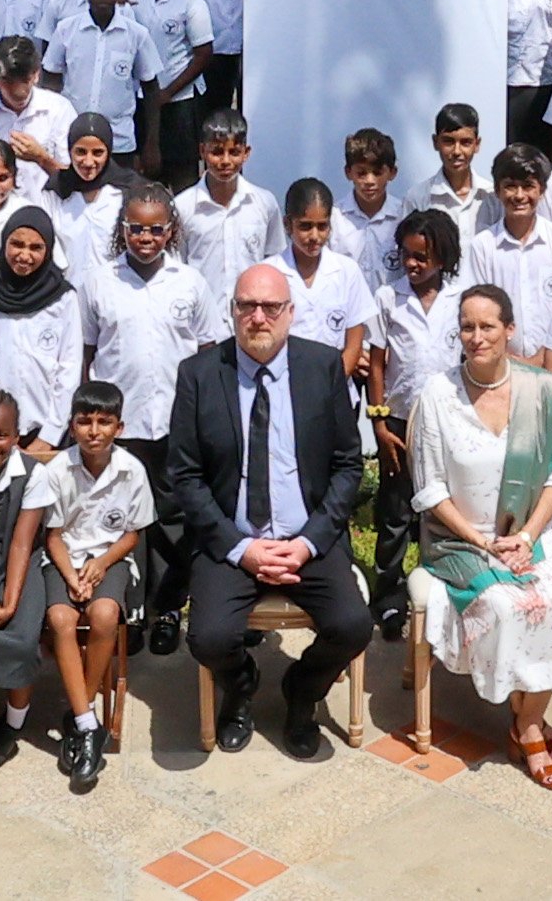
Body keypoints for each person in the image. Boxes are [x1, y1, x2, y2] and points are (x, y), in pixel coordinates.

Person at [160, 260, 366, 756]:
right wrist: (240, 549)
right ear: (231, 312)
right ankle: (242, 684)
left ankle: (302, 692)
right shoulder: (200, 374)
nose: (258, 317)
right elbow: (184, 476)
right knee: (207, 638)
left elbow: (347, 465)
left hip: (306, 539)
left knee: (353, 625)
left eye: (270, 306)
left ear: (290, 313)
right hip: (232, 540)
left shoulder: (321, 367)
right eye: (247, 306)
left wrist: (308, 542)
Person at [405, 284, 552, 784]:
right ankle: (528, 723)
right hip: (460, 538)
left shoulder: (540, 391)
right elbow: (429, 489)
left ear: (509, 330)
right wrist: (483, 541)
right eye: (467, 326)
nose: (477, 337)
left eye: (488, 326)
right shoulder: (438, 395)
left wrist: (527, 536)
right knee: (509, 606)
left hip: (528, 533)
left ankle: (526, 720)